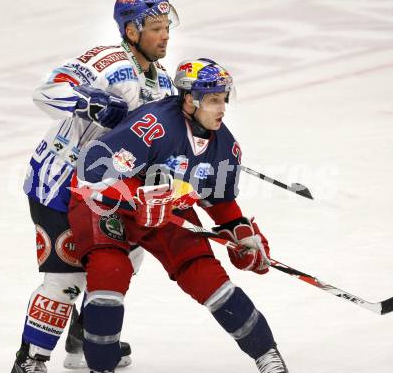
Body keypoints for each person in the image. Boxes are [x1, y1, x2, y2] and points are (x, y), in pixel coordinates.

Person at [68, 58, 289, 373]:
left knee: (208, 276)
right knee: (110, 271)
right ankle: (100, 367)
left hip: (166, 210)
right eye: (213, 100)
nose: (221, 108)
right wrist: (136, 196)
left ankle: (267, 355)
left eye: (223, 99)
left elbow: (220, 201)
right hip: (105, 202)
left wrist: (241, 234)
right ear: (189, 99)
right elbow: (93, 168)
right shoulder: (153, 125)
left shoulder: (225, 147)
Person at [11, 0, 179, 373]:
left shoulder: (165, 86)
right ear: (131, 31)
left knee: (118, 265)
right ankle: (30, 361)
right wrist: (90, 102)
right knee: (66, 281)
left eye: (167, 27)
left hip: (109, 191)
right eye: (156, 28)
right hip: (60, 182)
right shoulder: (107, 62)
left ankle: (83, 345)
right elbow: (46, 92)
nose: (165, 36)